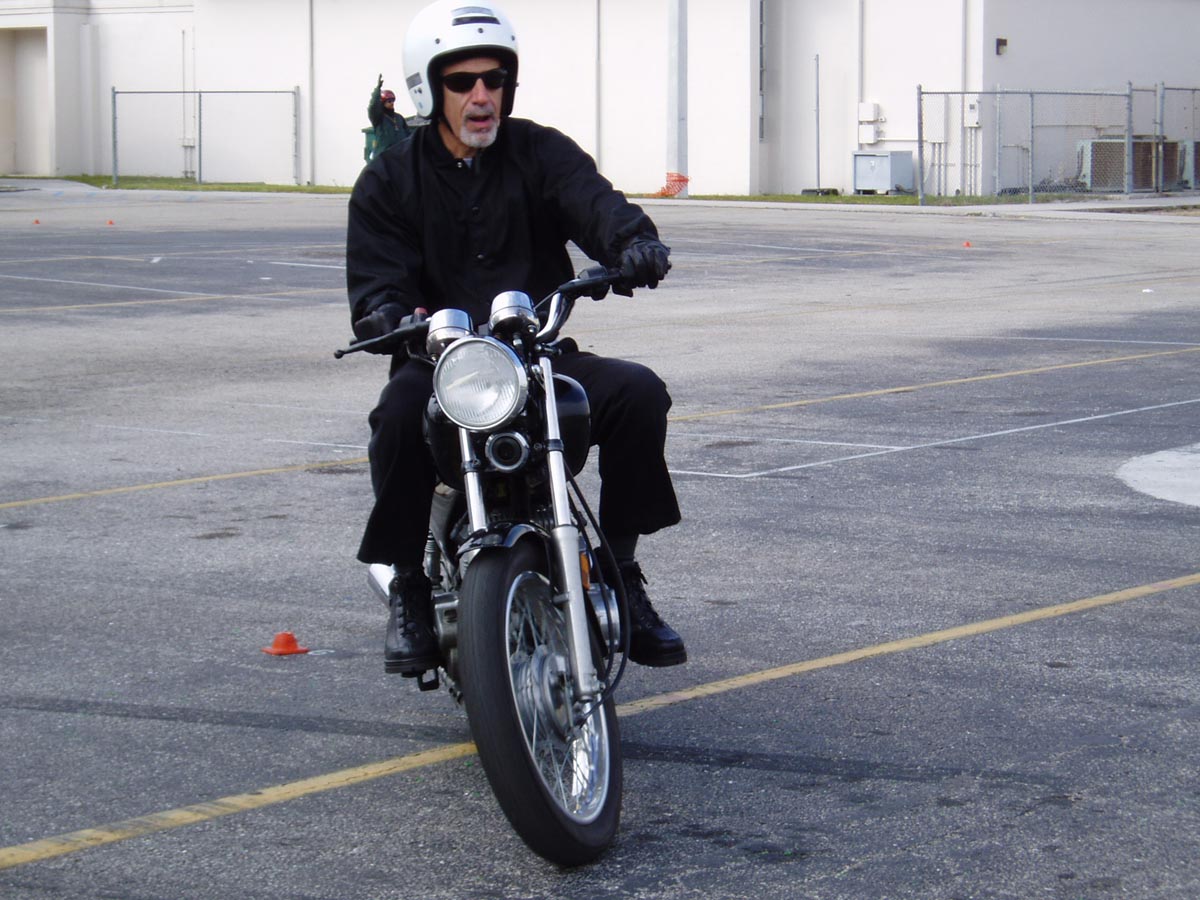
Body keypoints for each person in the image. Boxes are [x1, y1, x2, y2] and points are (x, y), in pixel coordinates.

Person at [345, 0, 686, 680]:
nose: (481, 95)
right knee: (396, 417)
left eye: (495, 79)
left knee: (638, 393)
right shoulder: (390, 179)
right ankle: (409, 586)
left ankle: (620, 568)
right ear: (428, 88)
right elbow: (377, 281)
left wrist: (633, 244)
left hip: (537, 356)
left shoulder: (540, 152)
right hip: (441, 365)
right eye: (462, 81)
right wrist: (385, 314)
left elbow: (595, 203)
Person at [366, 74, 412, 159]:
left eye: (393, 100)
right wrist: (377, 90)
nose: (392, 103)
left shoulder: (399, 118)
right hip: (385, 158)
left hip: (400, 157)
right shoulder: (378, 118)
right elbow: (373, 107)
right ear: (383, 102)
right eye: (389, 101)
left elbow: (408, 135)